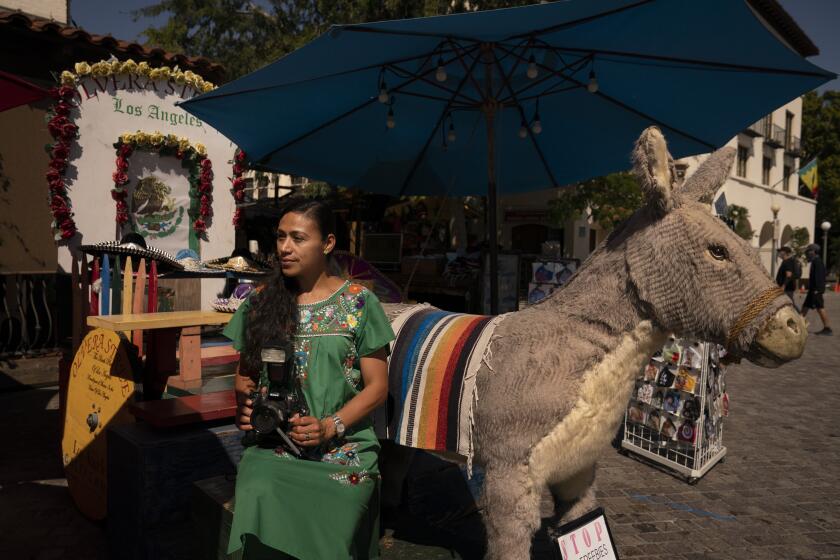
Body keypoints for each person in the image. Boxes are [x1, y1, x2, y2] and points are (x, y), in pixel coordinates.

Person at [223, 198, 396, 559]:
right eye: (281, 237)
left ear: (328, 243)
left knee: (339, 509)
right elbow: (244, 377)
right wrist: (247, 406)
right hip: (276, 448)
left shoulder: (359, 303)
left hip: (344, 448)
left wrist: (331, 426)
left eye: (298, 238)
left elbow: (379, 386)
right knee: (259, 487)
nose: (285, 247)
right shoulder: (259, 302)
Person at [801, 243, 832, 335]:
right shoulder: (815, 261)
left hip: (816, 290)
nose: (807, 254)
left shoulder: (817, 262)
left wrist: (818, 290)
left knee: (820, 308)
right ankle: (798, 325)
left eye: (808, 251)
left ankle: (827, 328)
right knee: (805, 307)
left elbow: (819, 277)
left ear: (813, 252)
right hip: (813, 290)